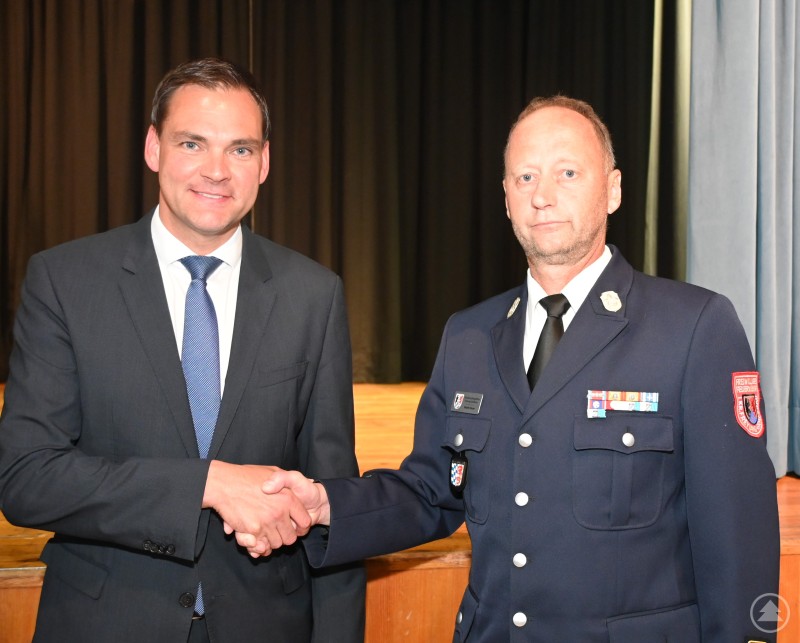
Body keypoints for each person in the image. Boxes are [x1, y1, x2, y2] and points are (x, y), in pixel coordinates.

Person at [260, 96, 780, 642]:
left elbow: (737, 534)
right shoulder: (468, 335)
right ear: (506, 199)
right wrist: (326, 504)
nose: (544, 196)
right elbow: (432, 491)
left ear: (615, 189)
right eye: (525, 176)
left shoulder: (694, 327)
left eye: (568, 172)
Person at [0, 58, 364, 643]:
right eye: (192, 143)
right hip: (105, 623)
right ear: (153, 148)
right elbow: (26, 478)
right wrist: (208, 484)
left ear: (265, 162)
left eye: (240, 150)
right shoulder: (65, 282)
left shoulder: (313, 295)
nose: (217, 170)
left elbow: (332, 505)